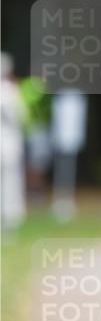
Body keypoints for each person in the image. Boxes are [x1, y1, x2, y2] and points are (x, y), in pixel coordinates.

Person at [1, 51, 27, 230]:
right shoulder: (11, 91)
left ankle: (10, 218)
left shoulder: (11, 90)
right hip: (9, 143)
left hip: (8, 142)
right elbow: (22, 116)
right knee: (11, 181)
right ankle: (10, 217)